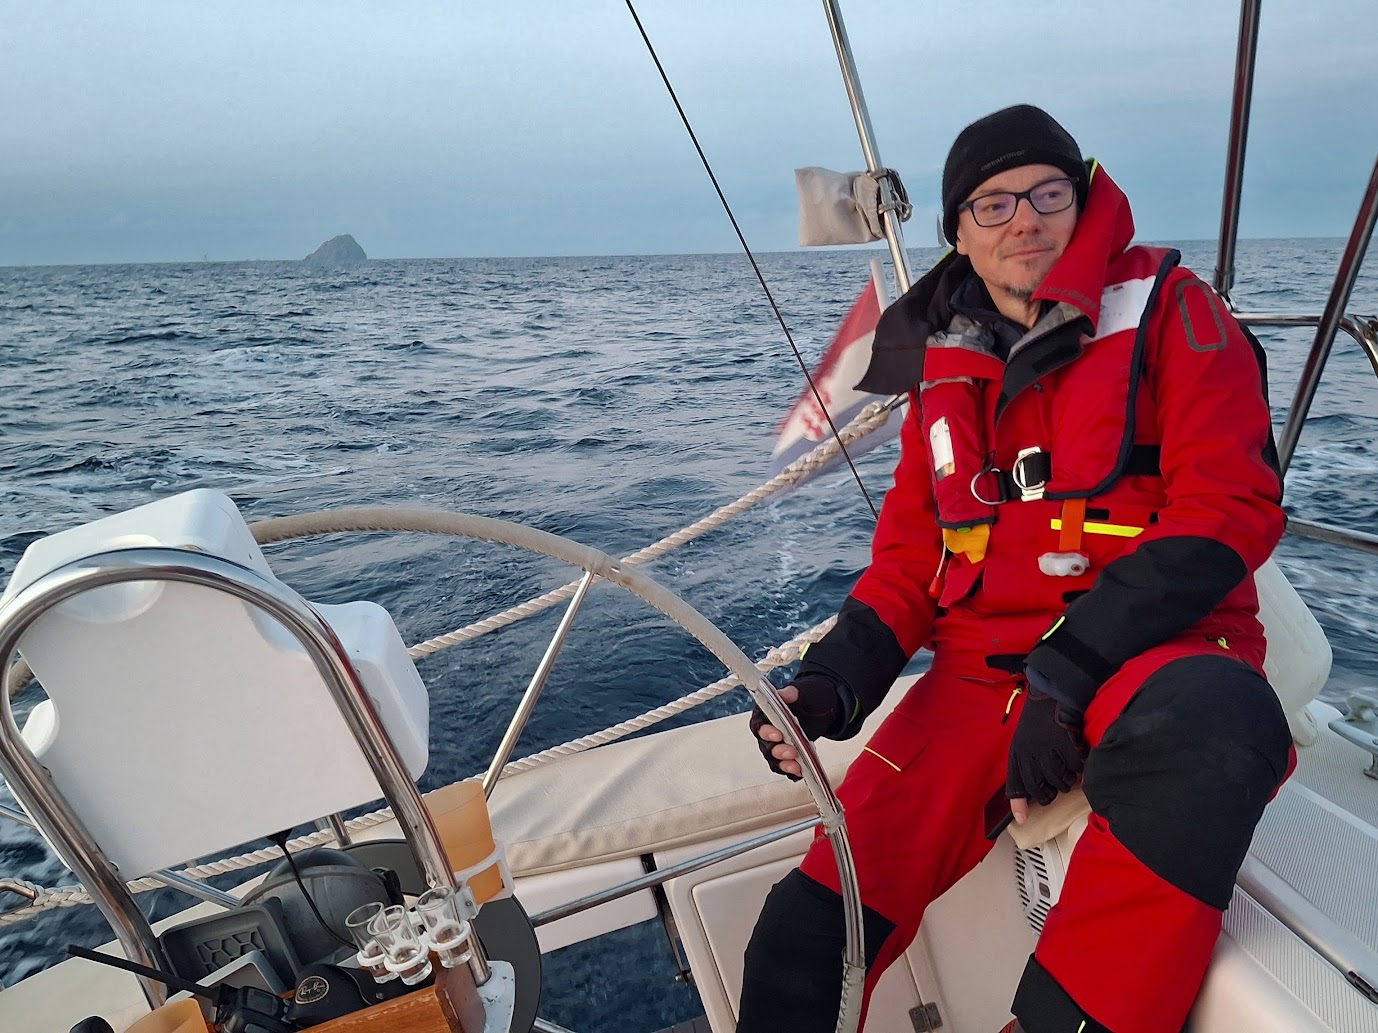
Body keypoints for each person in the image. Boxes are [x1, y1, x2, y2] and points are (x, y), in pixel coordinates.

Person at [736, 105, 1293, 1033]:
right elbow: (910, 562)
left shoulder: (1174, 312)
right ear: (958, 231)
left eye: (1047, 194)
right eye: (992, 204)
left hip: (1149, 654)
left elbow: (1229, 507)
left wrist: (1067, 673)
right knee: (800, 940)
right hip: (977, 681)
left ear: (1083, 198)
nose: (1024, 219)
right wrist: (833, 682)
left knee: (1215, 719)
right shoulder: (941, 369)